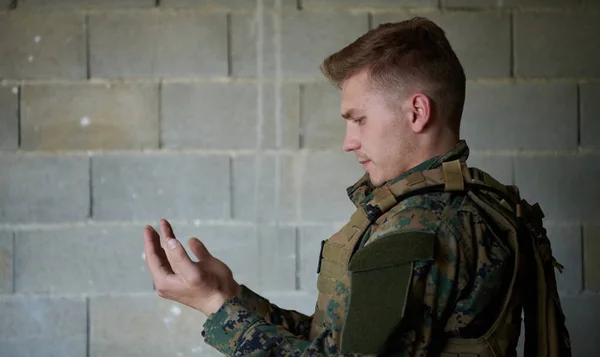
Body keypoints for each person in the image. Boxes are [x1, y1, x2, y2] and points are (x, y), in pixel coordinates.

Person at [143, 17, 571, 357]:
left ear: (417, 111)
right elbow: (333, 341)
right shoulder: (471, 208)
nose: (349, 141)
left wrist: (214, 308)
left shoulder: (420, 227)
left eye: (359, 119)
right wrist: (230, 295)